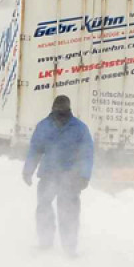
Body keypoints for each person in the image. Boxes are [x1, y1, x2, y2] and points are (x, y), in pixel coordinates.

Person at [22, 94, 93, 255]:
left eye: (63, 110)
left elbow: (87, 153)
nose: (60, 113)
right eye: (57, 109)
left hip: (71, 178)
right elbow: (35, 150)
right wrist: (28, 171)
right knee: (44, 208)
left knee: (69, 211)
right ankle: (45, 242)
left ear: (69, 109)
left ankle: (69, 247)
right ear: (53, 108)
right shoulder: (44, 126)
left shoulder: (79, 128)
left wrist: (84, 175)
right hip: (48, 175)